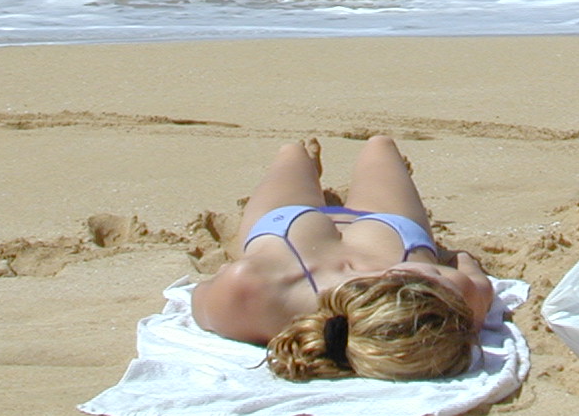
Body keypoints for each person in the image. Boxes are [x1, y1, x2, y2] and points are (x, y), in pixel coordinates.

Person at [190, 135, 496, 382]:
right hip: (391, 229)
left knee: (292, 154)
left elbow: (200, 295)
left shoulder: (249, 292)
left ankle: (304, 162)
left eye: (437, 278)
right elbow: (476, 279)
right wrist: (463, 260)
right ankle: (319, 164)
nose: (447, 278)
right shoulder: (448, 313)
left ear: (393, 282)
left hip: (288, 225)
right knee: (380, 144)